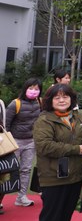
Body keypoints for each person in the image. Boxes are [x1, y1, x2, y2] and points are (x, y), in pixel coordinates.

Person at [33, 83, 82, 221]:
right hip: (53, 175)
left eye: (65, 97)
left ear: (71, 99)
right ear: (49, 101)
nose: (61, 100)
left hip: (75, 174)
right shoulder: (44, 120)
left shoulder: (78, 118)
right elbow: (44, 146)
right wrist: (76, 149)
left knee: (65, 213)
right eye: (57, 97)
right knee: (51, 215)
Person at [5, 77, 42, 207]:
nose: (33, 91)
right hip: (15, 141)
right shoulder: (15, 103)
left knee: (26, 169)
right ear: (25, 88)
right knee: (7, 170)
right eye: (31, 88)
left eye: (36, 89)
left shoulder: (40, 103)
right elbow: (5, 124)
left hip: (30, 141)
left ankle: (21, 197)